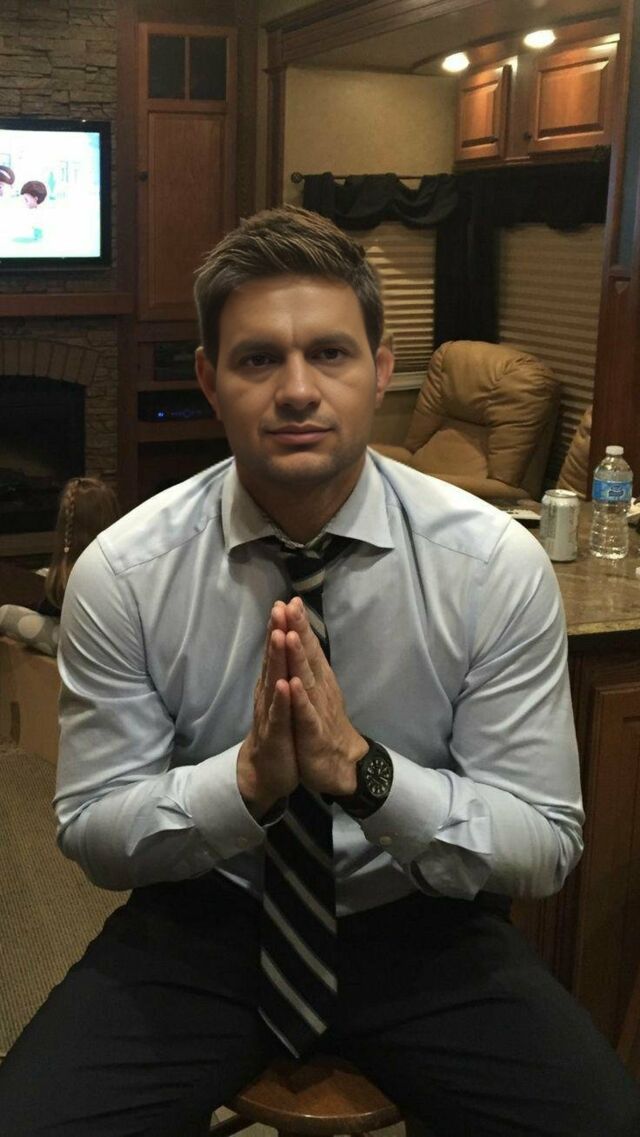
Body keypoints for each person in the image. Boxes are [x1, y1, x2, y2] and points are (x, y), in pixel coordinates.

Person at [0, 206, 638, 1137]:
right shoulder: (125, 573)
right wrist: (245, 782)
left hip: (420, 922)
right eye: (259, 359)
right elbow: (94, 828)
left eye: (330, 353)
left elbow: (542, 841)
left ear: (379, 370)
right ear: (210, 380)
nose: (297, 389)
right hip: (206, 917)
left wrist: (363, 772)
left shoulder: (493, 567)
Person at [0, 476, 120, 655]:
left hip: (86, 645)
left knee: (5, 613)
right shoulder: (120, 563)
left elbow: (48, 606)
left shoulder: (73, 577)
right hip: (113, 639)